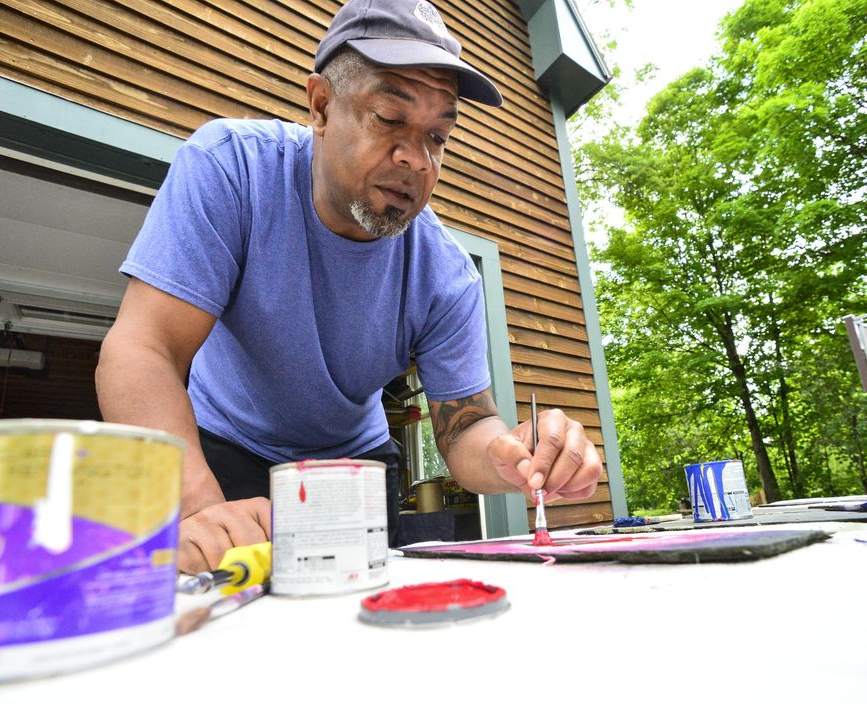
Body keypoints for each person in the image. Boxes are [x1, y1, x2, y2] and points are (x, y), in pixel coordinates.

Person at [95, 0, 603, 575]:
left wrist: (513, 452)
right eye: (390, 119)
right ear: (320, 105)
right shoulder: (231, 169)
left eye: (437, 137)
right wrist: (198, 509)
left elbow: (466, 427)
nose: (416, 159)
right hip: (221, 448)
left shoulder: (446, 274)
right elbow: (141, 349)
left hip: (356, 466)